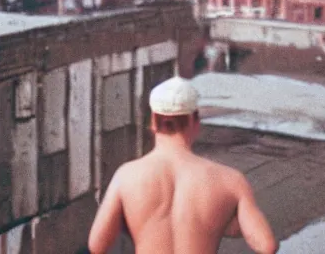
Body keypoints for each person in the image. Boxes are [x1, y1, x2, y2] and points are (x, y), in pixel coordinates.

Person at [88, 75, 278, 254]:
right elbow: (266, 245)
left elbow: (97, 245)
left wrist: (133, 219)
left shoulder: (126, 176)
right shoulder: (230, 180)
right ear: (194, 121)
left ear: (154, 121)